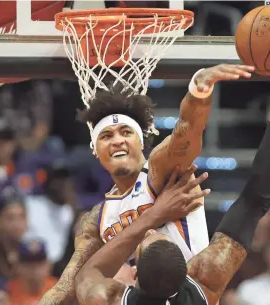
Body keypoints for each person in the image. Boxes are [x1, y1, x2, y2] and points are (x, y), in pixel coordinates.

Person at [70, 45, 270, 305]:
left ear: (133, 275)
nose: (147, 233)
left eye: (125, 132)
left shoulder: (200, 284)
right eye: (108, 135)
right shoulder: (205, 279)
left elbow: (84, 276)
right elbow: (253, 199)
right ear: (189, 271)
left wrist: (156, 216)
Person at [38, 60, 254, 304]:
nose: (117, 140)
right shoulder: (96, 219)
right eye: (106, 136)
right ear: (95, 150)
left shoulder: (160, 172)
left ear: (141, 142)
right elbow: (68, 284)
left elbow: (187, 132)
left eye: (126, 132)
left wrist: (198, 91)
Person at [8, 240, 57, 305]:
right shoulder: (8, 291)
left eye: (39, 264)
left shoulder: (59, 289)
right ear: (18, 266)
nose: (34, 268)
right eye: (28, 264)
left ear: (48, 265)